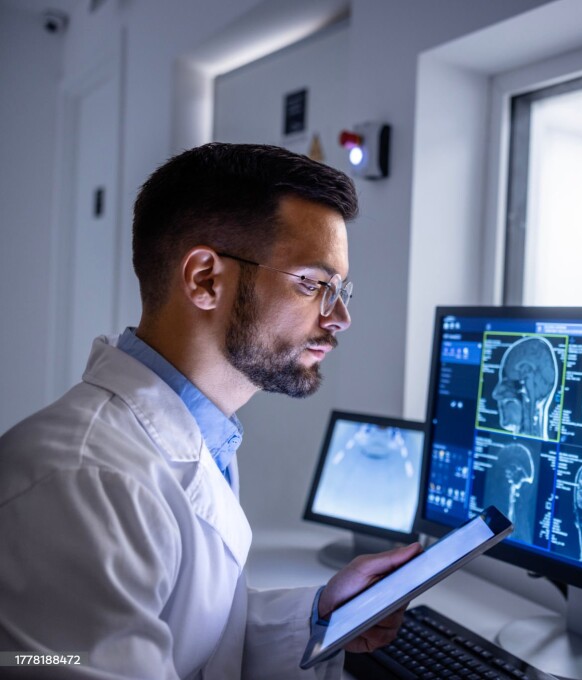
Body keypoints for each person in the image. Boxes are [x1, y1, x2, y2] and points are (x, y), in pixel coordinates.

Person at [0, 143, 422, 678]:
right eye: (313, 284)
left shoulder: (199, 438)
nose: (339, 317)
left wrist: (318, 616)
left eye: (341, 290)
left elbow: (191, 642)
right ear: (205, 279)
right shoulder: (84, 483)